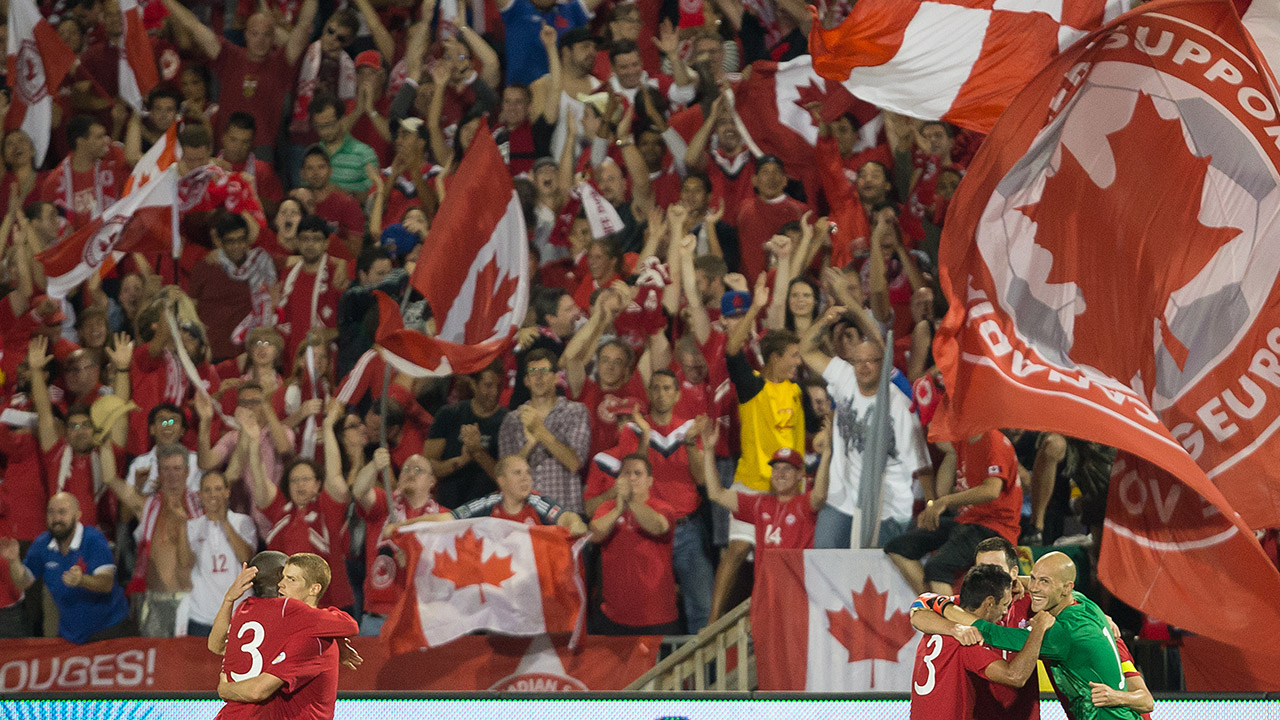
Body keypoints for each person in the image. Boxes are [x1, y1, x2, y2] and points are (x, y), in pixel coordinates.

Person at [924, 552, 1147, 720]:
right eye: (1033, 579)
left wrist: (940, 605)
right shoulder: (1084, 603)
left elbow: (994, 634)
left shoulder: (1061, 634)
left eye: (1044, 582)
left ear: (1066, 588)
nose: (1035, 588)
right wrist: (1013, 582)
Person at [710, 273, 805, 622]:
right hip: (752, 483)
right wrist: (756, 309)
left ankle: (775, 620)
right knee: (736, 551)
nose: (798, 361)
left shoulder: (796, 391)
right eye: (792, 356)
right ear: (775, 358)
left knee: (781, 561)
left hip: (787, 490)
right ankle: (711, 624)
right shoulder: (753, 388)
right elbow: (732, 351)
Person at [800, 310, 933, 548]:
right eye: (859, 361)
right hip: (841, 499)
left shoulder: (899, 405)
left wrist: (931, 505)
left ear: (884, 365)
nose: (864, 366)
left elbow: (921, 463)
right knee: (824, 561)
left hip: (886, 505)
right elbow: (807, 350)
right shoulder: (843, 376)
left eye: (871, 361)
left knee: (871, 568)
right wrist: (826, 319)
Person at [213, 554, 360, 719]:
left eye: (291, 579)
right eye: (282, 577)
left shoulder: (310, 638)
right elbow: (219, 646)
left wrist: (224, 690)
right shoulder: (285, 623)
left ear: (314, 589)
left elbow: (258, 690)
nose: (280, 584)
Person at [910, 564, 1054, 720]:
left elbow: (920, 607)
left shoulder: (936, 624)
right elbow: (1014, 676)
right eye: (1005, 604)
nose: (1005, 612)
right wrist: (1038, 630)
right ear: (989, 603)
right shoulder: (966, 640)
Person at [886, 429, 1021, 595]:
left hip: (994, 525)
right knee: (898, 548)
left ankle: (944, 610)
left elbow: (991, 490)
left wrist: (945, 501)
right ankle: (936, 605)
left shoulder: (993, 440)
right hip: (967, 521)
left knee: (938, 567)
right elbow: (942, 492)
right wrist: (951, 453)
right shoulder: (964, 441)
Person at [0, 493, 132, 643]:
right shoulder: (42, 543)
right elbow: (23, 582)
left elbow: (107, 583)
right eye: (51, 512)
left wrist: (82, 580)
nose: (56, 518)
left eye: (62, 512)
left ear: (77, 515)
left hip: (110, 631)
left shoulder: (94, 540)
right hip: (70, 636)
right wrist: (14, 561)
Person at [701, 417, 830, 554]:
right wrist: (708, 451)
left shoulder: (804, 504)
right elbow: (716, 494)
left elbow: (820, 495)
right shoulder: (760, 504)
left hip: (797, 568)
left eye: (787, 468)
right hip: (766, 569)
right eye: (776, 468)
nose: (780, 474)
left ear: (799, 475)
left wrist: (826, 454)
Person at [589, 454, 680, 635]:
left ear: (650, 481)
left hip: (656, 616)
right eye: (626, 473)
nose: (631, 477)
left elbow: (658, 526)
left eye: (638, 473)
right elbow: (594, 534)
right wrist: (618, 510)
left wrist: (630, 500)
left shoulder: (662, 507)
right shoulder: (607, 508)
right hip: (614, 617)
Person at [391, 456, 588, 536]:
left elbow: (566, 517)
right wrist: (403, 526)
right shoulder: (489, 503)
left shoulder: (537, 502)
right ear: (501, 481)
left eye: (528, 473)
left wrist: (576, 524)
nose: (526, 479)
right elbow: (445, 519)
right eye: (517, 473)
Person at [498, 349, 591, 514]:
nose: (538, 377)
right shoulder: (512, 420)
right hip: (524, 515)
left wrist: (539, 430)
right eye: (533, 372)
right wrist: (529, 445)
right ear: (526, 380)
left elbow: (574, 463)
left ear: (556, 377)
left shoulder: (575, 412)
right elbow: (506, 475)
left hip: (565, 514)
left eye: (544, 371)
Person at [424, 362, 508, 509]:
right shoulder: (448, 414)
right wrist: (462, 460)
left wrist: (478, 452)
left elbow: (507, 479)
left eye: (499, 386)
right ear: (474, 385)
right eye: (488, 386)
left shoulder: (507, 421)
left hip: (489, 512)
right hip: (448, 509)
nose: (495, 392)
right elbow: (427, 466)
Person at [185, 472, 257, 637]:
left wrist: (223, 521)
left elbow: (246, 557)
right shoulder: (192, 527)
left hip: (238, 613)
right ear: (200, 495)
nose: (213, 494)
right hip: (201, 616)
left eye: (218, 489)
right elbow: (185, 564)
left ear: (227, 492)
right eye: (207, 490)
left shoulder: (243, 522)